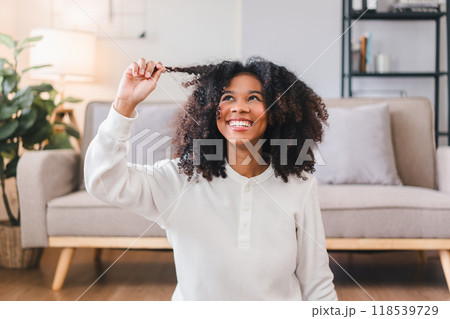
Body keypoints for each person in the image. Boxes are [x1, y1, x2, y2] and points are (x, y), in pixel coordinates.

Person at [84, 56, 338, 301]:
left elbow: (316, 282)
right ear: (210, 110)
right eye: (228, 97)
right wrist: (124, 105)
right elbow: (103, 181)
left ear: (275, 111)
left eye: (254, 98)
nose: (239, 107)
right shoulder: (178, 179)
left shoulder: (300, 185)